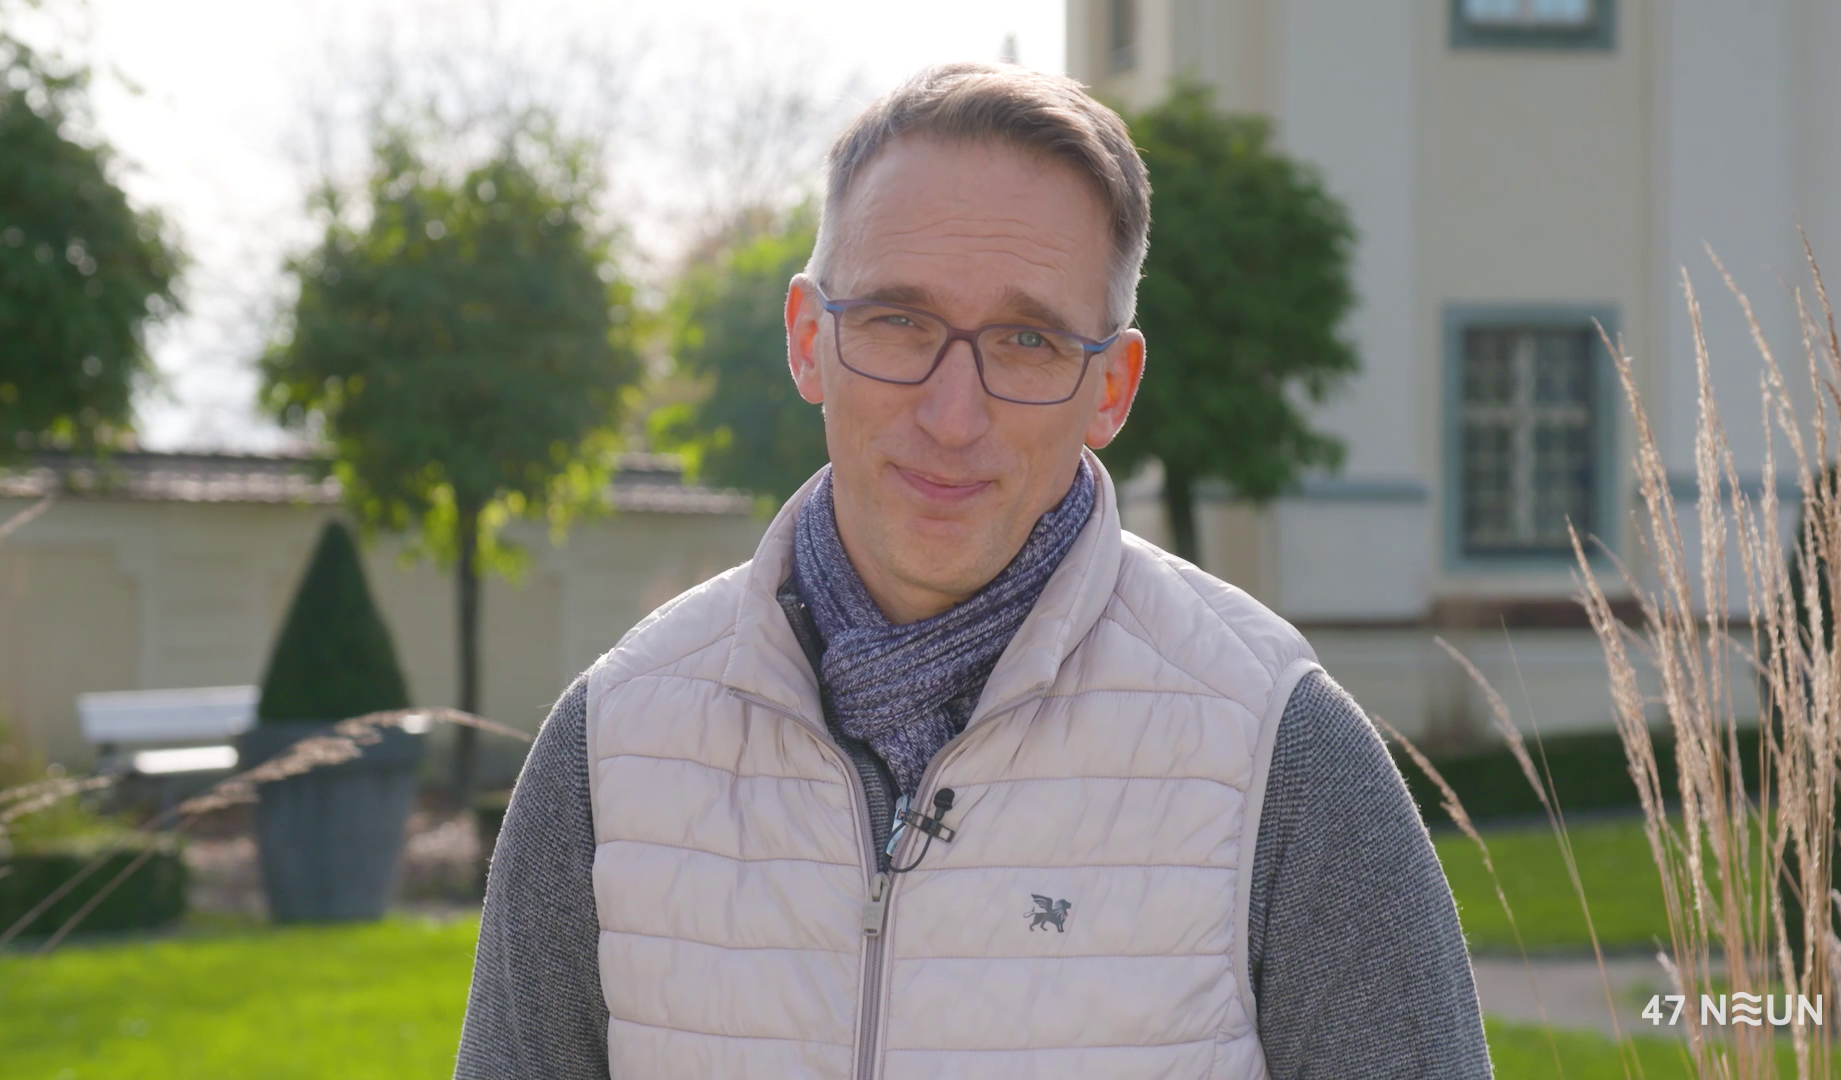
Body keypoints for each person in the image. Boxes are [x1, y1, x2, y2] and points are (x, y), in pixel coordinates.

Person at [455, 62, 1490, 1080]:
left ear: (1111, 388)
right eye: (899, 321)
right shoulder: (613, 746)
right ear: (808, 340)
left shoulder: (1279, 752)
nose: (954, 417)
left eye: (1028, 340)